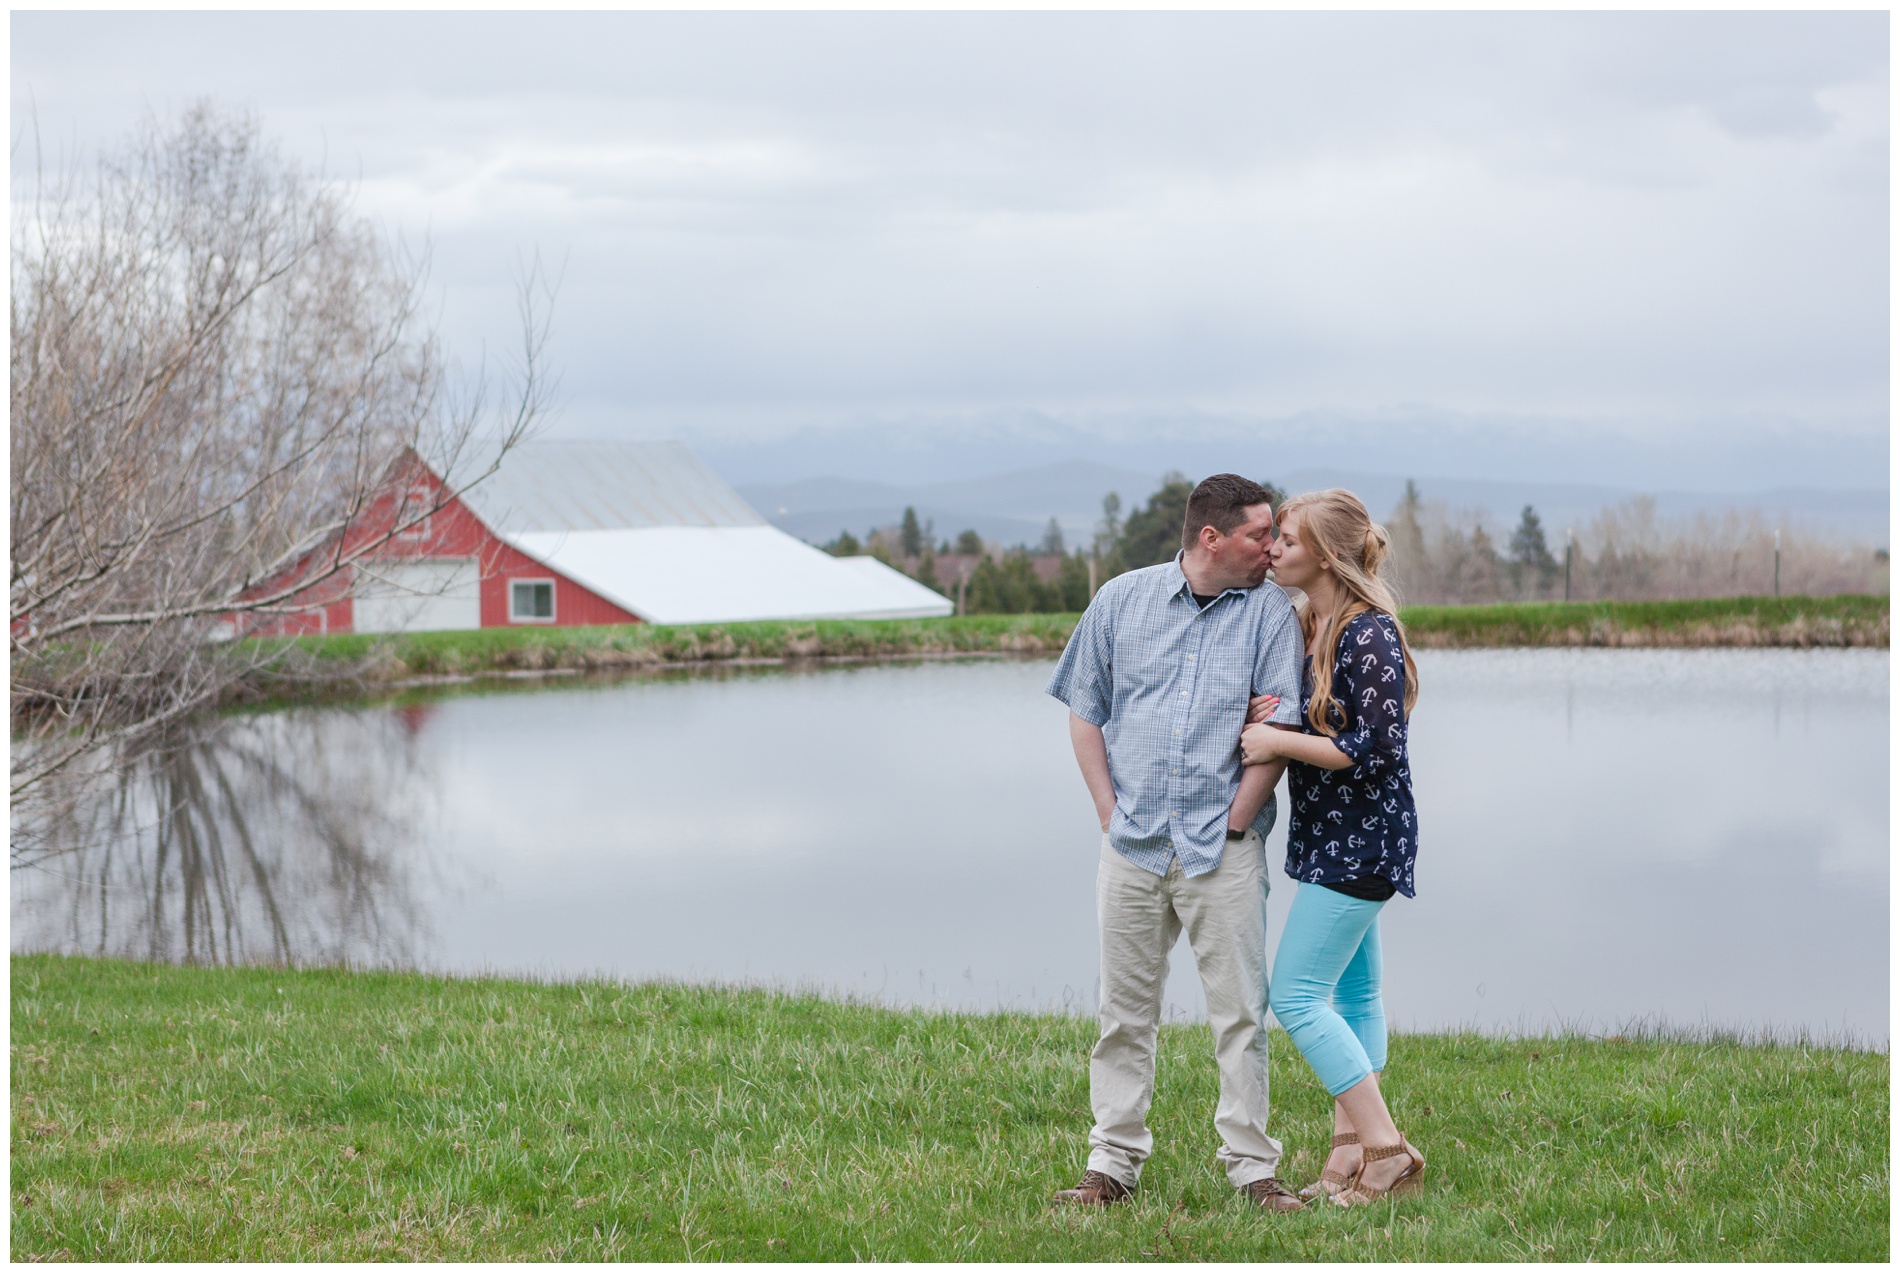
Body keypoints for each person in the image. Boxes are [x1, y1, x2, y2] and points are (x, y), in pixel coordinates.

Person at [1043, 473, 1308, 1212]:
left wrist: (1232, 821)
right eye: (1261, 535)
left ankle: (1254, 1170)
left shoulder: (1270, 614)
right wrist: (1107, 808)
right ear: (1211, 538)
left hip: (1222, 850)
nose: (1273, 548)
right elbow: (1085, 709)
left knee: (1240, 1014)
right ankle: (1112, 1166)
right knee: (1122, 1012)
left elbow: (1280, 729)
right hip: (1131, 846)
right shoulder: (1121, 600)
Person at [1238, 488, 1426, 1206]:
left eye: (1286, 539)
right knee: (1354, 991)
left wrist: (1275, 739)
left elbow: (1376, 747)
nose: (1273, 549)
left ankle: (1386, 1151)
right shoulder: (1308, 620)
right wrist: (1275, 710)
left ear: (1326, 554)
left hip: (1366, 841)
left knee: (1296, 994)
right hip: (1331, 839)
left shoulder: (1367, 632)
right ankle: (1348, 1148)